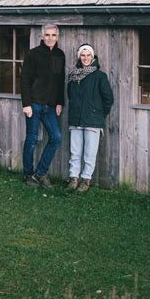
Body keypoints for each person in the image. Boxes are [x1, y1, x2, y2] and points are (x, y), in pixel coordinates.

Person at [21, 23, 65, 188]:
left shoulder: (60, 55)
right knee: (32, 139)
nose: (50, 38)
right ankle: (28, 174)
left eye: (53, 35)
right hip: (34, 104)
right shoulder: (33, 54)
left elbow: (60, 80)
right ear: (42, 36)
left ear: (57, 37)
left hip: (51, 107)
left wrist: (60, 101)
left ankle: (41, 173)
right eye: (47, 35)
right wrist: (26, 104)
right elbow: (24, 80)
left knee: (56, 137)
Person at [66, 44, 114, 193]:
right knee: (75, 152)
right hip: (76, 119)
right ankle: (73, 178)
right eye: (83, 55)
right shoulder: (73, 75)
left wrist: (98, 113)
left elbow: (108, 99)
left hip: (93, 120)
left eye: (88, 55)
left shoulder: (100, 76)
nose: (85, 58)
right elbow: (70, 96)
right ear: (79, 57)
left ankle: (86, 179)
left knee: (89, 153)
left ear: (93, 57)